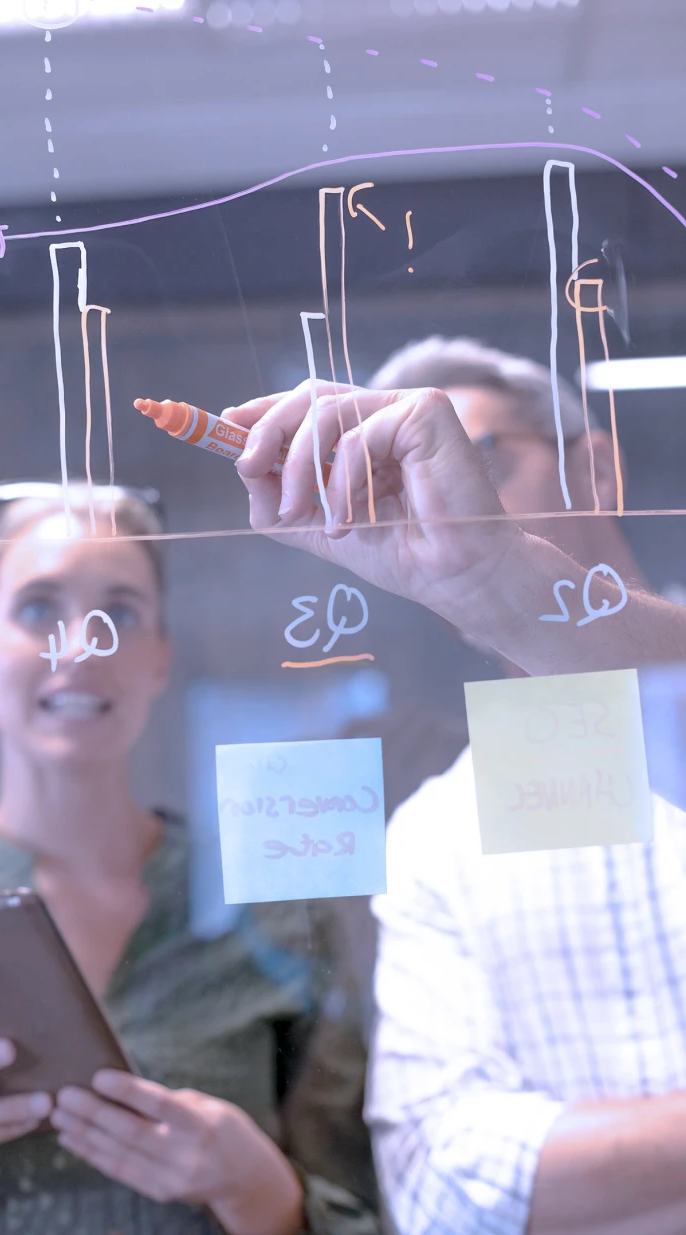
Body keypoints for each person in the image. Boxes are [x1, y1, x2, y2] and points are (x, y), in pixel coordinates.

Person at [223, 338, 686, 1235]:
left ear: (593, 466)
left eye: (487, 460)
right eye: (395, 490)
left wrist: (498, 578)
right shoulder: (437, 833)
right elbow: (441, 1186)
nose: (447, 504)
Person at [0, 486, 379, 1235]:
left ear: (159, 659)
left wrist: (258, 1187)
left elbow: (364, 1208)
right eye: (39, 607)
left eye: (120, 613)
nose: (81, 645)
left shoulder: (264, 908)